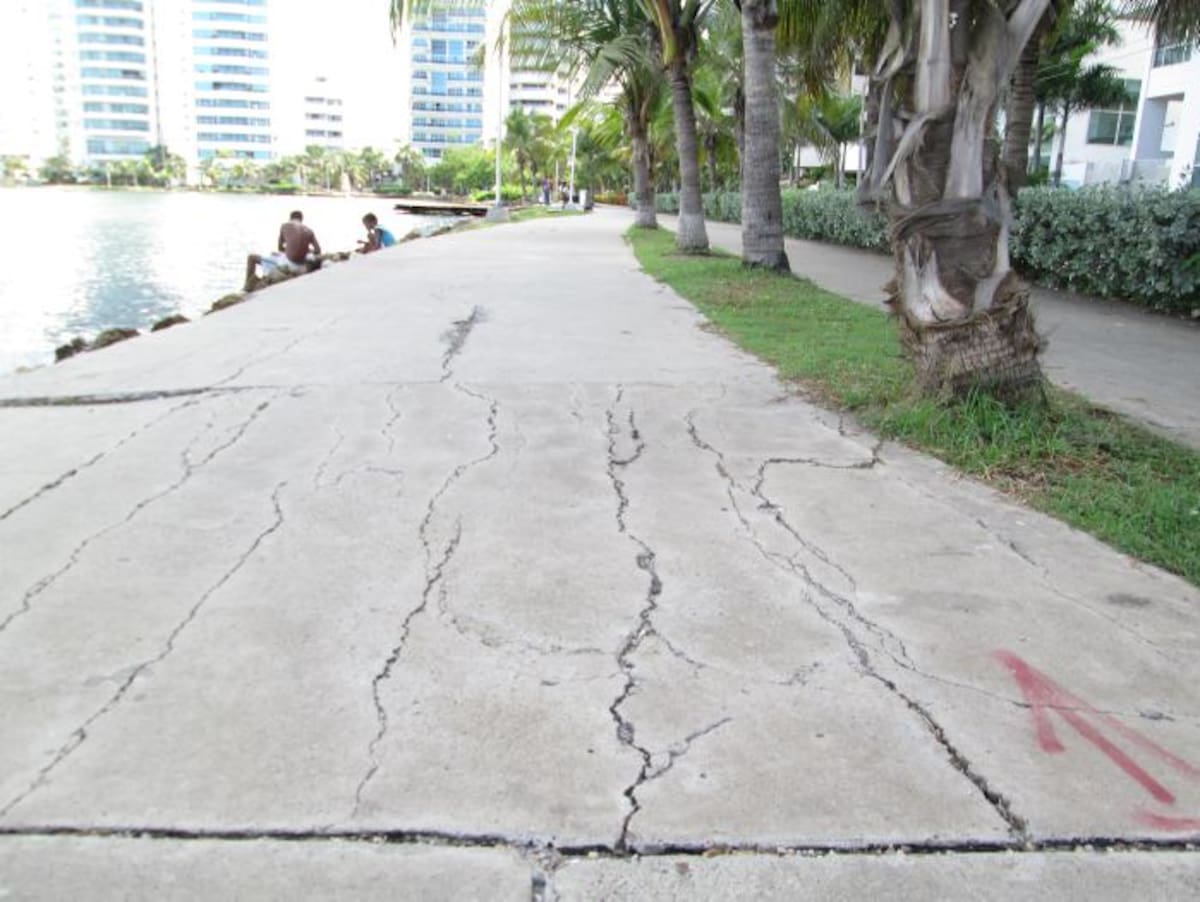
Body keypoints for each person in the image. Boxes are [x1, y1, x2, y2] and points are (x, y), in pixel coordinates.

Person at [244, 210, 321, 290]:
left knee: (252, 258)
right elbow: (318, 250)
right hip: (302, 267)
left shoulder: (285, 226)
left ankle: (246, 288)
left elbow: (280, 248)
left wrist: (287, 250)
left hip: (288, 265)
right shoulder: (309, 230)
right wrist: (306, 251)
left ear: (290, 218)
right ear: (301, 219)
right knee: (275, 254)